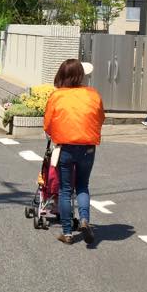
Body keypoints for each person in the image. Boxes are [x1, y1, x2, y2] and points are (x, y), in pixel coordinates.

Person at [43, 59, 105, 245]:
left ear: (62, 74)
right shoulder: (93, 94)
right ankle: (85, 220)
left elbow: (47, 124)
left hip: (65, 147)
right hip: (88, 147)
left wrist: (55, 134)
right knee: (83, 186)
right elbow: (101, 118)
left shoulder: (57, 96)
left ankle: (68, 232)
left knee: (65, 190)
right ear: (81, 75)